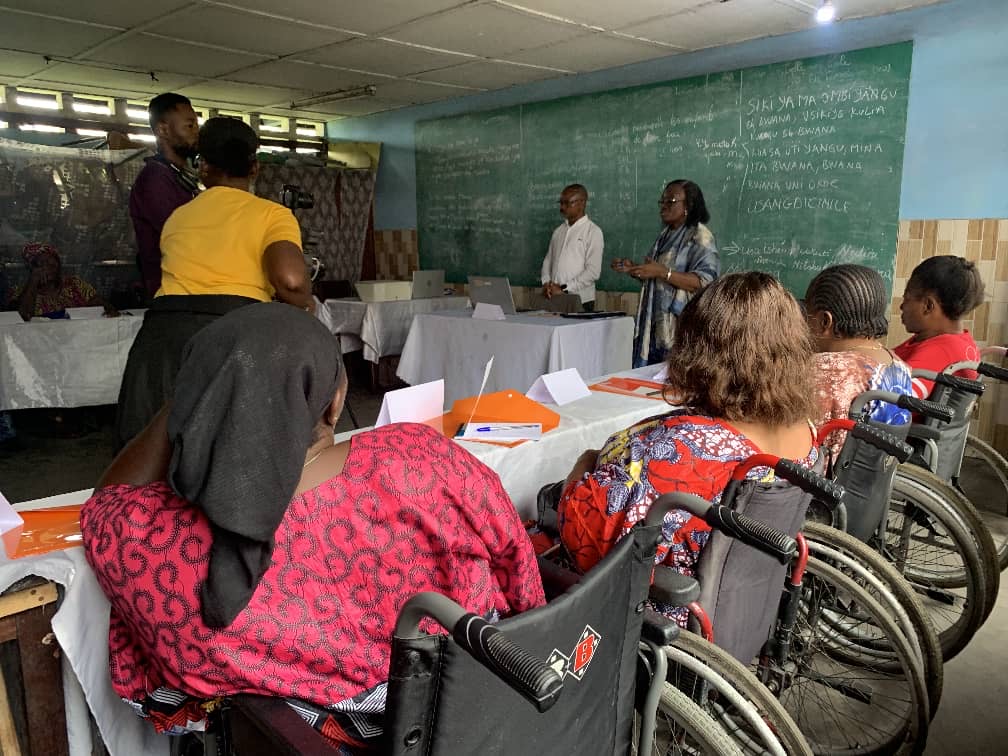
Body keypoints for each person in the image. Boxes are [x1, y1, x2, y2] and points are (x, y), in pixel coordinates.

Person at [82, 303, 545, 750]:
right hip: (487, 707)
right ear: (336, 402)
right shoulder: (418, 457)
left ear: (194, 408)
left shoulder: (154, 547)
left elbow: (106, 502)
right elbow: (517, 564)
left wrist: (204, 389)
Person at [557, 272, 818, 625]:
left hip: (668, 616)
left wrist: (580, 469)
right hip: (749, 606)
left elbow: (590, 544)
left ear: (699, 351)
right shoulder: (805, 430)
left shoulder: (681, 449)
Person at [115, 116, 315, 447]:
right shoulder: (272, 214)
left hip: (161, 340)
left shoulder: (178, 217)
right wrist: (306, 305)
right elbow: (291, 281)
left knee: (152, 452)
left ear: (202, 167)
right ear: (254, 168)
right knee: (229, 450)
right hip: (233, 335)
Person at [804, 264, 913, 461]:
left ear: (824, 321)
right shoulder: (899, 365)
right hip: (867, 482)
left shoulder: (827, 369)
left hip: (821, 484)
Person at [611, 180, 720, 367]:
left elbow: (705, 281)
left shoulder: (700, 236)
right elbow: (659, 280)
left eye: (671, 201)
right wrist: (634, 269)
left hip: (681, 329)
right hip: (654, 327)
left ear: (688, 205)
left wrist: (662, 272)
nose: (663, 206)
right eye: (662, 201)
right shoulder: (665, 235)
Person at [129, 93, 200, 299]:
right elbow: (182, 238)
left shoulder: (177, 175)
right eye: (190, 126)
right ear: (163, 130)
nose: (196, 132)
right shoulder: (155, 179)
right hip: (172, 295)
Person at [894, 256, 984, 398]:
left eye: (907, 298)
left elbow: (897, 396)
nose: (901, 306)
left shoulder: (941, 351)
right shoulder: (957, 341)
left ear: (928, 306)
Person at [540, 184, 604, 311]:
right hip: (554, 297)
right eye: (561, 203)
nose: (562, 207)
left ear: (582, 203)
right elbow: (548, 261)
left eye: (567, 203)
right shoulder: (558, 231)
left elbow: (593, 272)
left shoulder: (593, 232)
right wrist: (547, 283)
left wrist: (564, 288)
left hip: (580, 299)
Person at [8, 243, 106, 321]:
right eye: (40, 264)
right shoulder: (20, 292)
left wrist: (104, 308)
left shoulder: (75, 284)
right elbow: (21, 319)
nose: (46, 268)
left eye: (51, 264)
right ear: (32, 269)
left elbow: (99, 304)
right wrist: (33, 282)